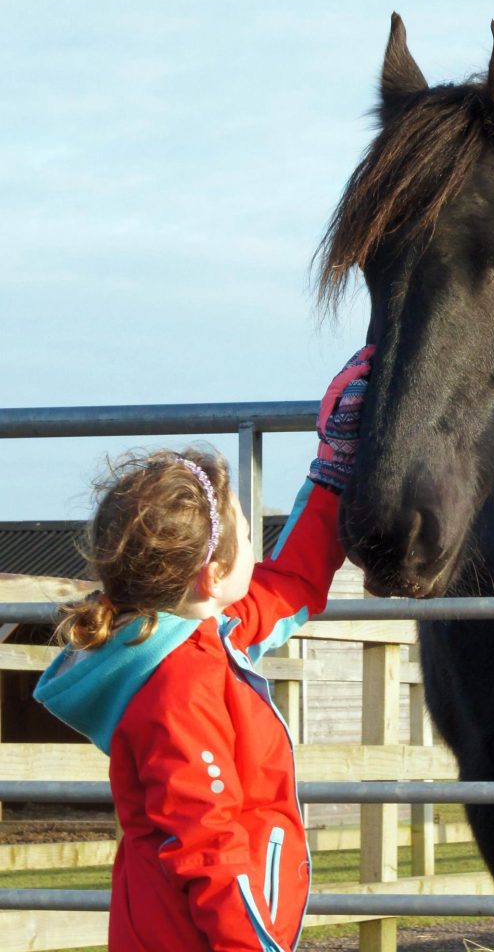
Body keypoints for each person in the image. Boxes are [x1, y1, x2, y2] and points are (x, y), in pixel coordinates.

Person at [33, 346, 374, 952]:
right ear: (212, 578)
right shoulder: (179, 691)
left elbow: (291, 581)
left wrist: (334, 470)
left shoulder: (197, 636)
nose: (255, 544)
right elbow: (207, 848)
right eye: (247, 535)